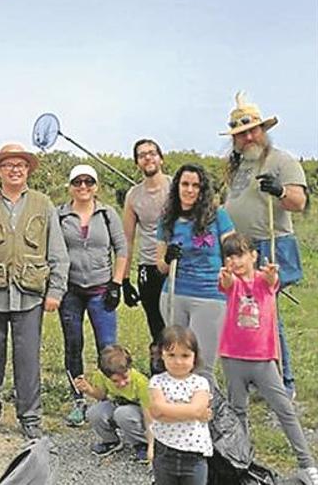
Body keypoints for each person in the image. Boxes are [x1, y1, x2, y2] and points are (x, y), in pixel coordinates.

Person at [0, 143, 69, 439]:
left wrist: (56, 290)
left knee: (28, 359)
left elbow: (57, 251)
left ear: (28, 170)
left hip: (30, 295)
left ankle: (30, 417)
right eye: (8, 165)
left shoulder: (43, 204)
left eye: (20, 165)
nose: (15, 170)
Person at [221, 92, 308, 400]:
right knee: (245, 312)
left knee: (266, 311)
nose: (247, 137)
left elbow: (298, 202)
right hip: (239, 248)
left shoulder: (281, 160)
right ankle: (256, 374)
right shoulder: (237, 166)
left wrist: (280, 189)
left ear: (263, 130)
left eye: (252, 130)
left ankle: (284, 382)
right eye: (240, 133)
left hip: (271, 243)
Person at [217, 233, 318, 483]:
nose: (234, 261)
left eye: (239, 254)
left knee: (284, 409)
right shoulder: (231, 282)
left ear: (253, 255)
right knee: (238, 411)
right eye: (229, 256)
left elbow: (272, 282)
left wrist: (273, 274)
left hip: (263, 359)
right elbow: (227, 285)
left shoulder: (265, 280)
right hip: (232, 358)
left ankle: (307, 464)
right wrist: (227, 278)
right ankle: (242, 464)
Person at [57, 164, 128, 427]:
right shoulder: (60, 215)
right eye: (78, 182)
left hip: (101, 289)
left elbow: (122, 249)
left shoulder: (108, 214)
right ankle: (78, 398)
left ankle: (110, 399)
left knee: (107, 347)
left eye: (89, 182)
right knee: (73, 345)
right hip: (70, 290)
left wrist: (116, 283)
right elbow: (53, 251)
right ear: (70, 186)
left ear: (96, 186)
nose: (83, 187)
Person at [156, 164, 233, 385]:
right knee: (178, 364)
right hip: (174, 295)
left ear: (202, 189)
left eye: (195, 185)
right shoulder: (167, 220)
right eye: (185, 184)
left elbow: (233, 250)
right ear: (177, 187)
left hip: (209, 295)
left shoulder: (218, 216)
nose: (190, 190)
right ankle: (181, 414)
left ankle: (209, 415)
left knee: (202, 366)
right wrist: (169, 257)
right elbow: (160, 265)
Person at [122, 139, 172, 373]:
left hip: (175, 264)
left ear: (161, 158)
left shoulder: (175, 187)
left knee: (178, 321)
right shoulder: (133, 196)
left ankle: (185, 369)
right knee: (156, 322)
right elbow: (128, 239)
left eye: (152, 153)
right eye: (142, 155)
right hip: (148, 266)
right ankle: (159, 368)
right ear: (137, 163)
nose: (148, 158)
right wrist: (123, 280)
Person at [148, 325, 213, 485]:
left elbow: (197, 409)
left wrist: (166, 411)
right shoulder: (157, 381)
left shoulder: (201, 382)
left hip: (194, 454)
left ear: (195, 357)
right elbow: (156, 412)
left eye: (185, 355)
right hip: (164, 451)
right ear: (161, 354)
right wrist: (192, 414)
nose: (178, 361)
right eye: (171, 355)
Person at [74, 344, 153, 462]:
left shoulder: (142, 383)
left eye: (125, 378)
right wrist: (88, 389)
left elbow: (150, 416)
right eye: (115, 381)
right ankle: (111, 441)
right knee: (93, 412)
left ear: (130, 368)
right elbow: (101, 396)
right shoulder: (101, 375)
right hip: (119, 408)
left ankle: (142, 444)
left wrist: (152, 444)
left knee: (122, 413)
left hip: (141, 415)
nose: (121, 383)